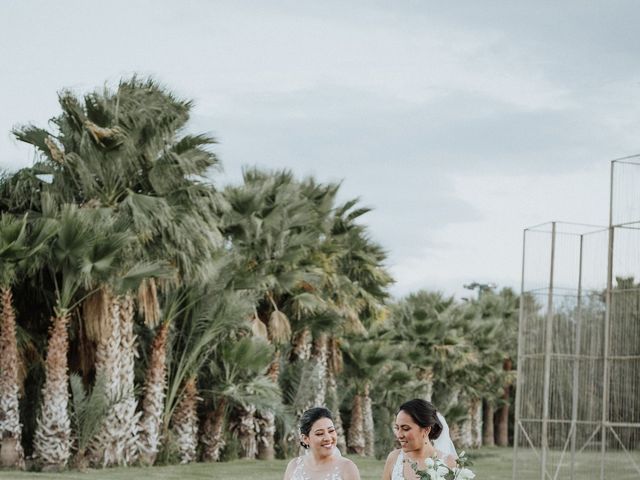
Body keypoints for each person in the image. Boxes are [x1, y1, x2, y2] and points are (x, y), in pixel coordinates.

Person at [381, 399, 458, 480]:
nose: (399, 435)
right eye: (397, 428)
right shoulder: (394, 458)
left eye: (406, 428)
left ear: (426, 430)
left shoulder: (449, 463)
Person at [283, 407, 361, 480]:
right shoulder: (294, 466)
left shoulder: (347, 468)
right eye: (319, 433)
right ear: (305, 439)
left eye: (331, 431)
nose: (328, 438)